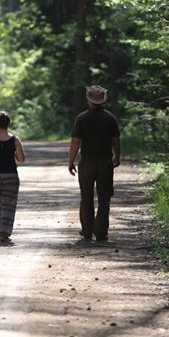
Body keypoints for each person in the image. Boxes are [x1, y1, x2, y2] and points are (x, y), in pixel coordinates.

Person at [67, 85, 120, 242]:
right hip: (105, 162)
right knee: (104, 197)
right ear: (103, 100)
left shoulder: (82, 118)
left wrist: (71, 161)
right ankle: (101, 232)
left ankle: (87, 230)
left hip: (87, 163)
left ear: (89, 99)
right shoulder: (110, 118)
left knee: (86, 196)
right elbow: (115, 140)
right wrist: (117, 156)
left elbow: (75, 141)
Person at [0, 110, 25, 242]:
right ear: (9, 124)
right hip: (11, 176)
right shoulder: (15, 140)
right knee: (9, 205)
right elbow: (21, 159)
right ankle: (5, 232)